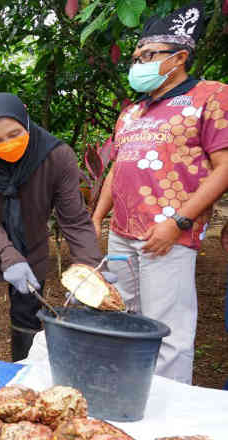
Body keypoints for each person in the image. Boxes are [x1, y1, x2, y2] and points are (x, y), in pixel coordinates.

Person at [92, 3, 228, 384]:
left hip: (168, 234)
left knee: (168, 332)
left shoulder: (210, 96)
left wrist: (179, 221)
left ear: (180, 57)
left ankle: (168, 413)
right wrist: (98, 217)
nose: (138, 63)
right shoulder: (132, 112)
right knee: (120, 315)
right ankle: (128, 392)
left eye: (148, 56)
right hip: (122, 233)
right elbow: (117, 167)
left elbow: (225, 168)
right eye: (136, 57)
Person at [0, 93, 108, 361]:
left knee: (28, 314)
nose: (7, 144)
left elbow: (73, 218)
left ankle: (22, 377)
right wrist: (8, 257)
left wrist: (90, 267)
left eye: (14, 134)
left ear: (26, 122)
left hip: (32, 247)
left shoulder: (57, 157)